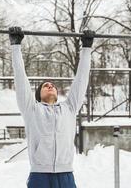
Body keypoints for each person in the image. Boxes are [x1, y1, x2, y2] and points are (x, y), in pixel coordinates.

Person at [9, 27, 94, 188]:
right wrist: (15, 46)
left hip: (66, 175)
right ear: (38, 94)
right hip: (40, 175)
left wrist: (87, 48)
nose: (49, 86)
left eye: (52, 85)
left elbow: (81, 80)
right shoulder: (31, 109)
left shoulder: (69, 108)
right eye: (45, 86)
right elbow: (20, 79)